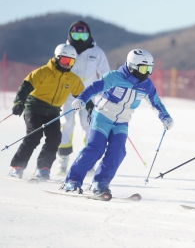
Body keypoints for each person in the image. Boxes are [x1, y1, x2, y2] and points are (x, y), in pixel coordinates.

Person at [61, 49, 174, 196]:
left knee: (118, 151)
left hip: (122, 122)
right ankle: (72, 181)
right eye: (143, 68)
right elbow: (95, 87)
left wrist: (165, 117)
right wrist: (82, 99)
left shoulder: (146, 85)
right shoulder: (115, 77)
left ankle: (100, 183)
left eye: (149, 69)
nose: (146, 73)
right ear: (132, 66)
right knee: (95, 148)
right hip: (102, 117)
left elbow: (155, 102)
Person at [8, 44, 92, 180]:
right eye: (65, 60)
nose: (67, 64)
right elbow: (25, 86)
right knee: (34, 135)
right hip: (34, 107)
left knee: (54, 138)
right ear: (57, 58)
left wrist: (92, 108)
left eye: (71, 62)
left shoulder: (72, 79)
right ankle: (17, 167)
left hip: (53, 111)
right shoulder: (43, 72)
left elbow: (83, 95)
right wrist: (19, 102)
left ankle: (43, 168)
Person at [55, 20, 110, 175]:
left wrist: (107, 91)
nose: (79, 39)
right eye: (76, 35)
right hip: (68, 95)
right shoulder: (65, 50)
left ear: (89, 35)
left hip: (88, 96)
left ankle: (88, 162)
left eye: (83, 35)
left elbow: (106, 73)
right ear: (70, 35)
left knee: (88, 126)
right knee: (66, 124)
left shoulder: (97, 52)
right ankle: (63, 161)